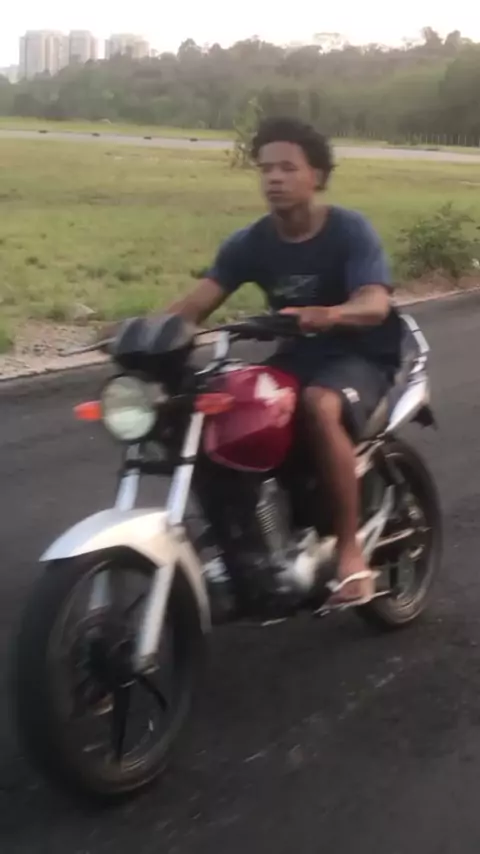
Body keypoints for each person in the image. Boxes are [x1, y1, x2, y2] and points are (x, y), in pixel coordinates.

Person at [104, 116, 402, 610]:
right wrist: (137, 333)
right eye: (265, 169)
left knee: (318, 404)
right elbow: (194, 307)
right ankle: (246, 540)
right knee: (227, 411)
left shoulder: (349, 230)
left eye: (287, 167)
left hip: (361, 352)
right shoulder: (251, 242)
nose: (274, 178)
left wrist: (330, 314)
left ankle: (350, 551)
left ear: (317, 175)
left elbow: (375, 304)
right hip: (298, 353)